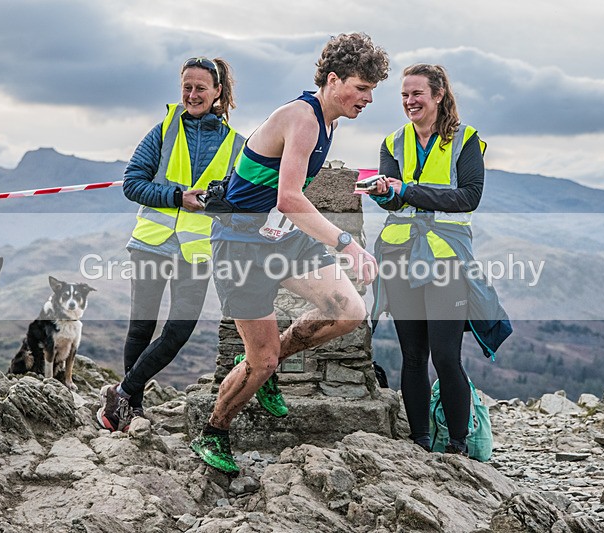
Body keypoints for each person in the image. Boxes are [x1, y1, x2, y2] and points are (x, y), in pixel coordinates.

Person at [190, 32, 390, 475]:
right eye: (361, 88)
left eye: (372, 90)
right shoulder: (303, 118)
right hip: (240, 245)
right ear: (334, 80)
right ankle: (214, 430)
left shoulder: (329, 121)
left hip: (280, 239)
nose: (368, 98)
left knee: (349, 311)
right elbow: (290, 199)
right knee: (260, 362)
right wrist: (347, 243)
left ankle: (267, 364)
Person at [368, 64, 511, 455]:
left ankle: (458, 446)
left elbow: (468, 197)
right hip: (399, 253)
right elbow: (393, 198)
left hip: (445, 258)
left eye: (417, 94)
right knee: (412, 357)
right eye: (404, 96)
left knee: (447, 357)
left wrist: (409, 191)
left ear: (438, 95)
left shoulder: (466, 140)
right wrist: (382, 192)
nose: (409, 102)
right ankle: (419, 442)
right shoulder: (392, 142)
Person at [97, 57, 245, 432]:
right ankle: (131, 407)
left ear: (218, 92)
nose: (192, 95)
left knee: (178, 331)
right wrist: (179, 197)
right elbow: (133, 183)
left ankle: (122, 393)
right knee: (140, 328)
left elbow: (239, 201)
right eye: (186, 87)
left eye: (200, 88)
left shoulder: (237, 145)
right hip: (151, 243)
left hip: (196, 252)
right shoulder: (162, 131)